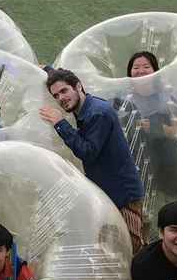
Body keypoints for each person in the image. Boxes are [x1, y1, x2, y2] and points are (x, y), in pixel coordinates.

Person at [41, 68, 146, 255]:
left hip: (123, 197)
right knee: (111, 250)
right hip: (110, 193)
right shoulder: (84, 108)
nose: (61, 98)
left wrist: (60, 123)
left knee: (130, 250)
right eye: (56, 95)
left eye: (64, 91)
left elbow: (88, 151)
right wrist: (48, 70)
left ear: (78, 86)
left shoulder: (98, 113)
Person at [123, 51, 177, 199]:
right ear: (129, 73)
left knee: (174, 198)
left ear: (155, 71)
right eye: (135, 67)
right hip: (138, 164)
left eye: (146, 67)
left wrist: (155, 127)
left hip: (168, 162)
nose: (141, 71)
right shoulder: (123, 99)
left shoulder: (167, 96)